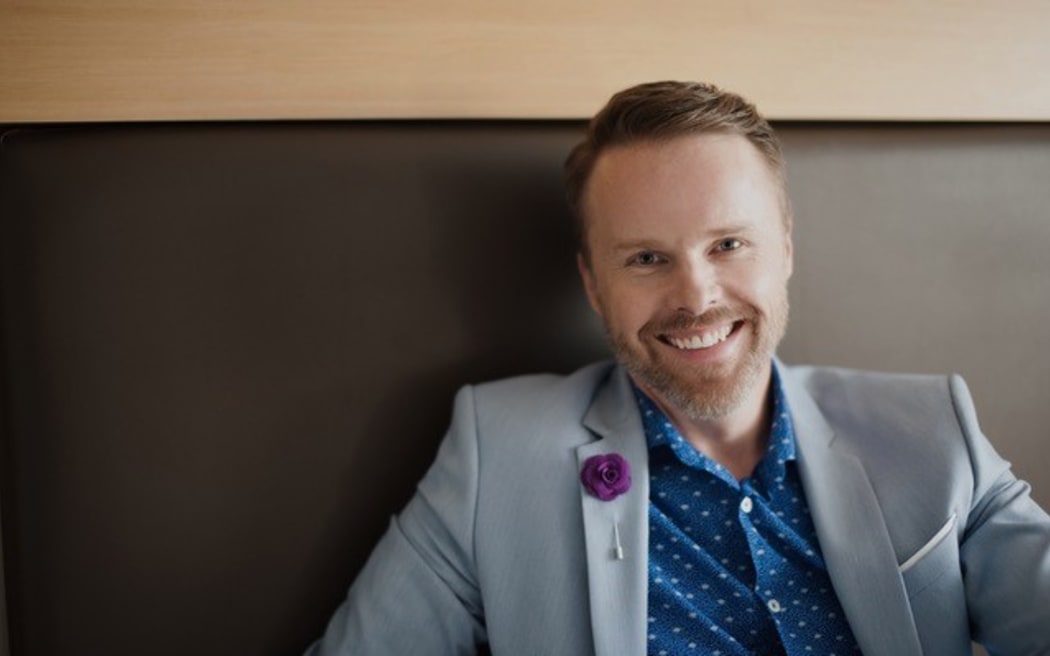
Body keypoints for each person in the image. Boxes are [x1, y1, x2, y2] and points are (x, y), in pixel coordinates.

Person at [305, 81, 1050, 656]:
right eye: (647, 259)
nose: (696, 296)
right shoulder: (494, 451)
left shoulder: (931, 431)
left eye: (729, 244)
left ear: (785, 248)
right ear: (594, 283)